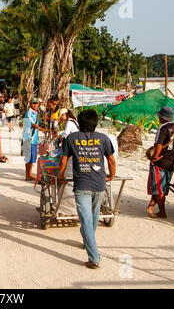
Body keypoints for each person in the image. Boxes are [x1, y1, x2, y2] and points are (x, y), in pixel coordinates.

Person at [57, 109, 116, 269]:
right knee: (93, 217)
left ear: (79, 123)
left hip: (82, 184)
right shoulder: (103, 138)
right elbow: (111, 160)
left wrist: (60, 176)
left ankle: (94, 257)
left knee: (86, 220)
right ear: (95, 123)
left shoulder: (72, 138)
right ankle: (87, 239)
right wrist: (111, 176)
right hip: (99, 184)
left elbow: (63, 161)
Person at [147, 106, 174, 219]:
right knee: (162, 187)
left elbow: (159, 145)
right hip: (172, 163)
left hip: (161, 162)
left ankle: (162, 212)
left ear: (163, 118)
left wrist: (154, 158)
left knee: (159, 188)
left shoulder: (163, 128)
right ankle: (151, 206)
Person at [23, 98, 47, 181]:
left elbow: (39, 122)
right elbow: (33, 124)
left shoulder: (36, 113)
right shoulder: (29, 113)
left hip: (34, 138)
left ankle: (29, 174)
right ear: (30, 104)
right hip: (29, 138)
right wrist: (41, 129)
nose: (35, 105)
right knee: (29, 157)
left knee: (32, 157)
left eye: (36, 103)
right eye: (33, 103)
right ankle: (27, 175)